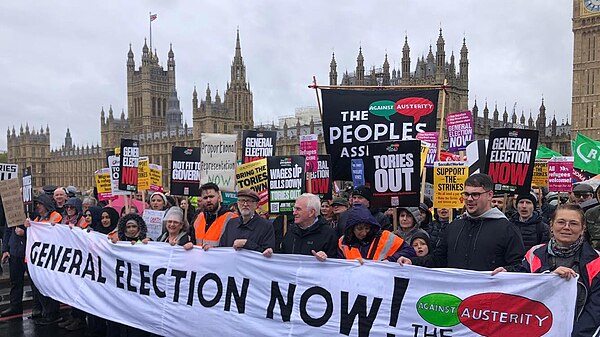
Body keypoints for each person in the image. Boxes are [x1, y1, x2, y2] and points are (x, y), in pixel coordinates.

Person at [494, 204, 600, 336]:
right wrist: (506, 275)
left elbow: (595, 310)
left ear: (583, 228)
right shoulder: (534, 253)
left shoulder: (596, 261)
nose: (566, 227)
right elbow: (522, 286)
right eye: (561, 222)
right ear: (551, 225)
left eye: (573, 223)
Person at [399, 173, 525, 271]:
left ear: (490, 195)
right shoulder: (454, 227)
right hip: (457, 299)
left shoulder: (506, 229)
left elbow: (520, 266)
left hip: (489, 299)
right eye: (466, 194)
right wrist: (412, 262)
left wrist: (507, 271)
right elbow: (438, 260)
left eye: (475, 194)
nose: (469, 199)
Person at [24, 194, 63, 325]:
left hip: (49, 259)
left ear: (45, 204)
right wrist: (28, 226)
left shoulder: (56, 216)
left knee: (49, 288)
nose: (37, 207)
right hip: (37, 260)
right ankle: (45, 311)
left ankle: (53, 314)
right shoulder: (36, 218)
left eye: (39, 205)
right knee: (38, 287)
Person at [263, 193, 337, 261]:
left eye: (298, 209)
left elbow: (336, 264)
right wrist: (272, 254)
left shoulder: (328, 234)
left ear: (311, 212)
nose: (294, 213)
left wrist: (326, 258)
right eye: (294, 209)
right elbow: (284, 255)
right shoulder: (291, 230)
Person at [338, 205, 415, 262]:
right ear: (352, 228)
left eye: (367, 228)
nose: (364, 233)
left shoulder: (385, 237)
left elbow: (410, 251)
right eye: (359, 229)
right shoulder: (343, 242)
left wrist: (390, 260)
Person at [1, 198, 27, 317]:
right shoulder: (11, 212)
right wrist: (5, 249)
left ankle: (40, 308)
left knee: (35, 282)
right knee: (15, 282)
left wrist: (24, 233)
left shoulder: (30, 211)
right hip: (14, 251)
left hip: (28, 253)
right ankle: (15, 306)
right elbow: (7, 231)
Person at [193, 183, 238, 248]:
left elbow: (233, 245)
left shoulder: (231, 218)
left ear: (219, 198)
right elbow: (192, 241)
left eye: (211, 196)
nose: (208, 200)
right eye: (205, 198)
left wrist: (215, 249)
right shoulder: (198, 218)